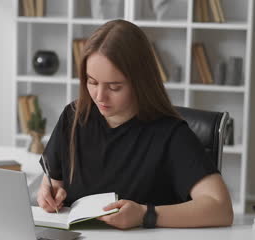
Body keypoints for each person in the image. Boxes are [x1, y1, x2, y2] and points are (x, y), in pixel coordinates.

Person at [36, 19, 233, 229]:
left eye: (114, 87)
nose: (99, 96)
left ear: (140, 82)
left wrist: (145, 214)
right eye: (92, 82)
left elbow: (220, 208)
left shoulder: (170, 134)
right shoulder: (73, 117)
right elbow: (54, 181)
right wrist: (48, 192)